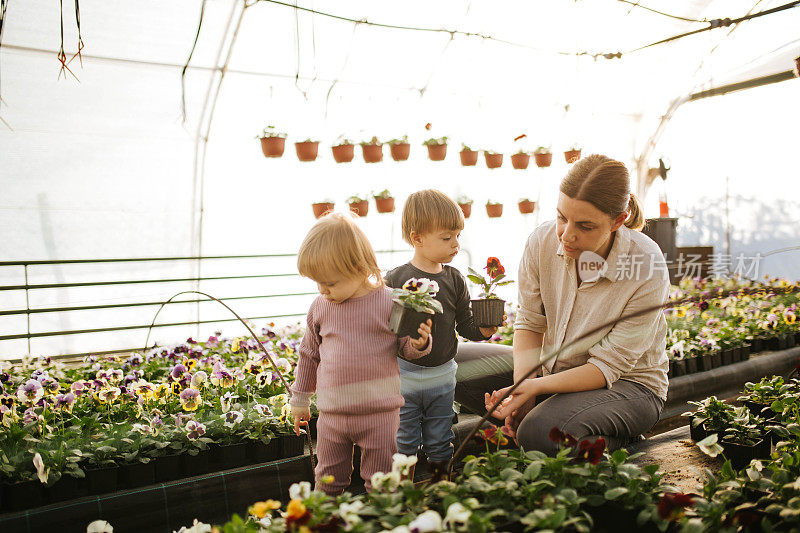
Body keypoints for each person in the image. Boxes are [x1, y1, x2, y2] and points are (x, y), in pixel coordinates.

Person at [455, 154, 669, 455]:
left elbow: (607, 367)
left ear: (618, 221)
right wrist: (523, 388)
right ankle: (541, 425)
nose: (566, 235)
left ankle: (611, 439)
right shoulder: (542, 242)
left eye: (584, 225)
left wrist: (536, 388)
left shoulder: (645, 264)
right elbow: (530, 324)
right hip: (553, 374)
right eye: (561, 217)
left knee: (541, 432)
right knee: (451, 365)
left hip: (628, 386)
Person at [289, 212, 433, 495]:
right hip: (332, 415)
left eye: (329, 283)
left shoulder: (390, 302)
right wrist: (300, 399)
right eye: (317, 283)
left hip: (379, 414)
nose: (322, 290)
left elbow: (404, 347)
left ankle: (384, 521)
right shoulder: (320, 307)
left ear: (357, 267)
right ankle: (326, 523)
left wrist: (418, 344)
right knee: (328, 479)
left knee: (382, 482)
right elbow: (309, 354)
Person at [385, 189, 498, 479]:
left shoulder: (455, 279)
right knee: (404, 440)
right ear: (417, 238)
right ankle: (402, 495)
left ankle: (439, 485)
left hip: (443, 377)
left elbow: (465, 326)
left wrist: (484, 330)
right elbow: (382, 330)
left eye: (458, 236)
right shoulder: (395, 280)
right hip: (404, 377)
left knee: (440, 438)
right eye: (447, 238)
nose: (456, 244)